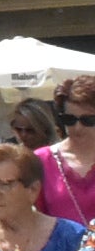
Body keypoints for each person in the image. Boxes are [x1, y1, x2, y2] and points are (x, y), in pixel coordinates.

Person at [36, 73, 95, 225]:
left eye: (88, 120)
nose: (78, 127)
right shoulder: (41, 160)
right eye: (69, 119)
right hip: (59, 240)